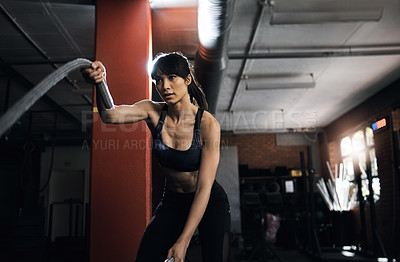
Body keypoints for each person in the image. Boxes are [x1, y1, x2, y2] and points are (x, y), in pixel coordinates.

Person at [82, 52, 231, 262]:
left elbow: (204, 187)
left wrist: (183, 241)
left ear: (187, 79)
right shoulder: (153, 111)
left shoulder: (208, 125)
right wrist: (100, 83)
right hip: (172, 201)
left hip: (208, 201)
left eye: (172, 77)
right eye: (158, 80)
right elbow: (110, 115)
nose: (165, 86)